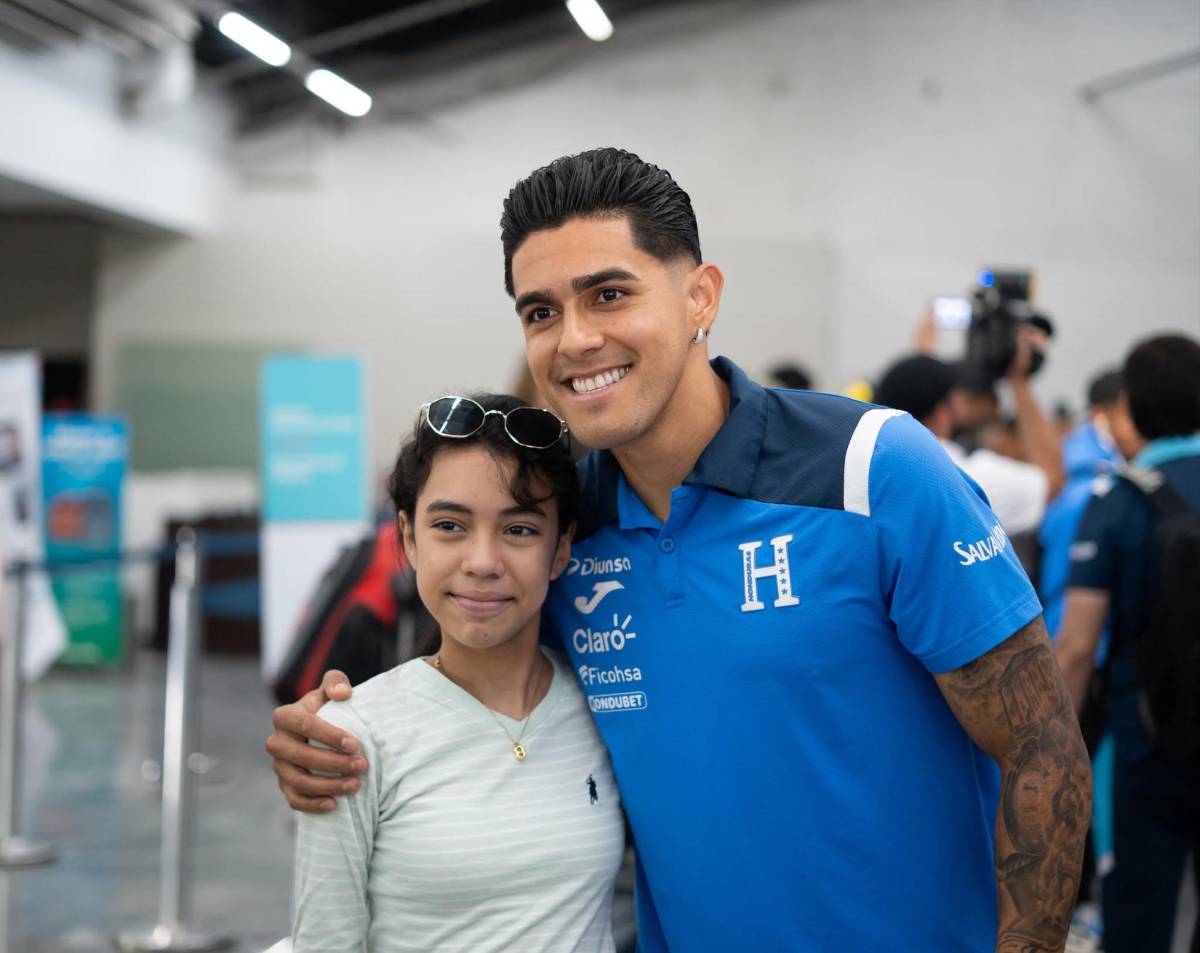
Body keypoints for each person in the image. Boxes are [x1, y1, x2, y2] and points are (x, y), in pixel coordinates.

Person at [268, 148, 1089, 952]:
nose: (575, 339)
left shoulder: (873, 469)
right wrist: (340, 736)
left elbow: (1043, 746)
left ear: (701, 297)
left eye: (609, 294)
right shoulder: (563, 522)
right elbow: (483, 696)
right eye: (541, 311)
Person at [291, 393, 626, 953]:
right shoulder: (351, 735)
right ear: (408, 537)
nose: (483, 561)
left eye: (519, 530)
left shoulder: (605, 702)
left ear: (561, 547)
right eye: (450, 525)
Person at [1054, 334, 1200, 953]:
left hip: (1145, 738)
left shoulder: (1119, 499)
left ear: (1131, 410)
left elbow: (1078, 645)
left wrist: (1049, 748)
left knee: (1138, 900)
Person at [874, 347, 1066, 536]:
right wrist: (1019, 379)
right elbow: (1053, 481)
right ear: (943, 413)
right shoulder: (969, 479)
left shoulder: (870, 475)